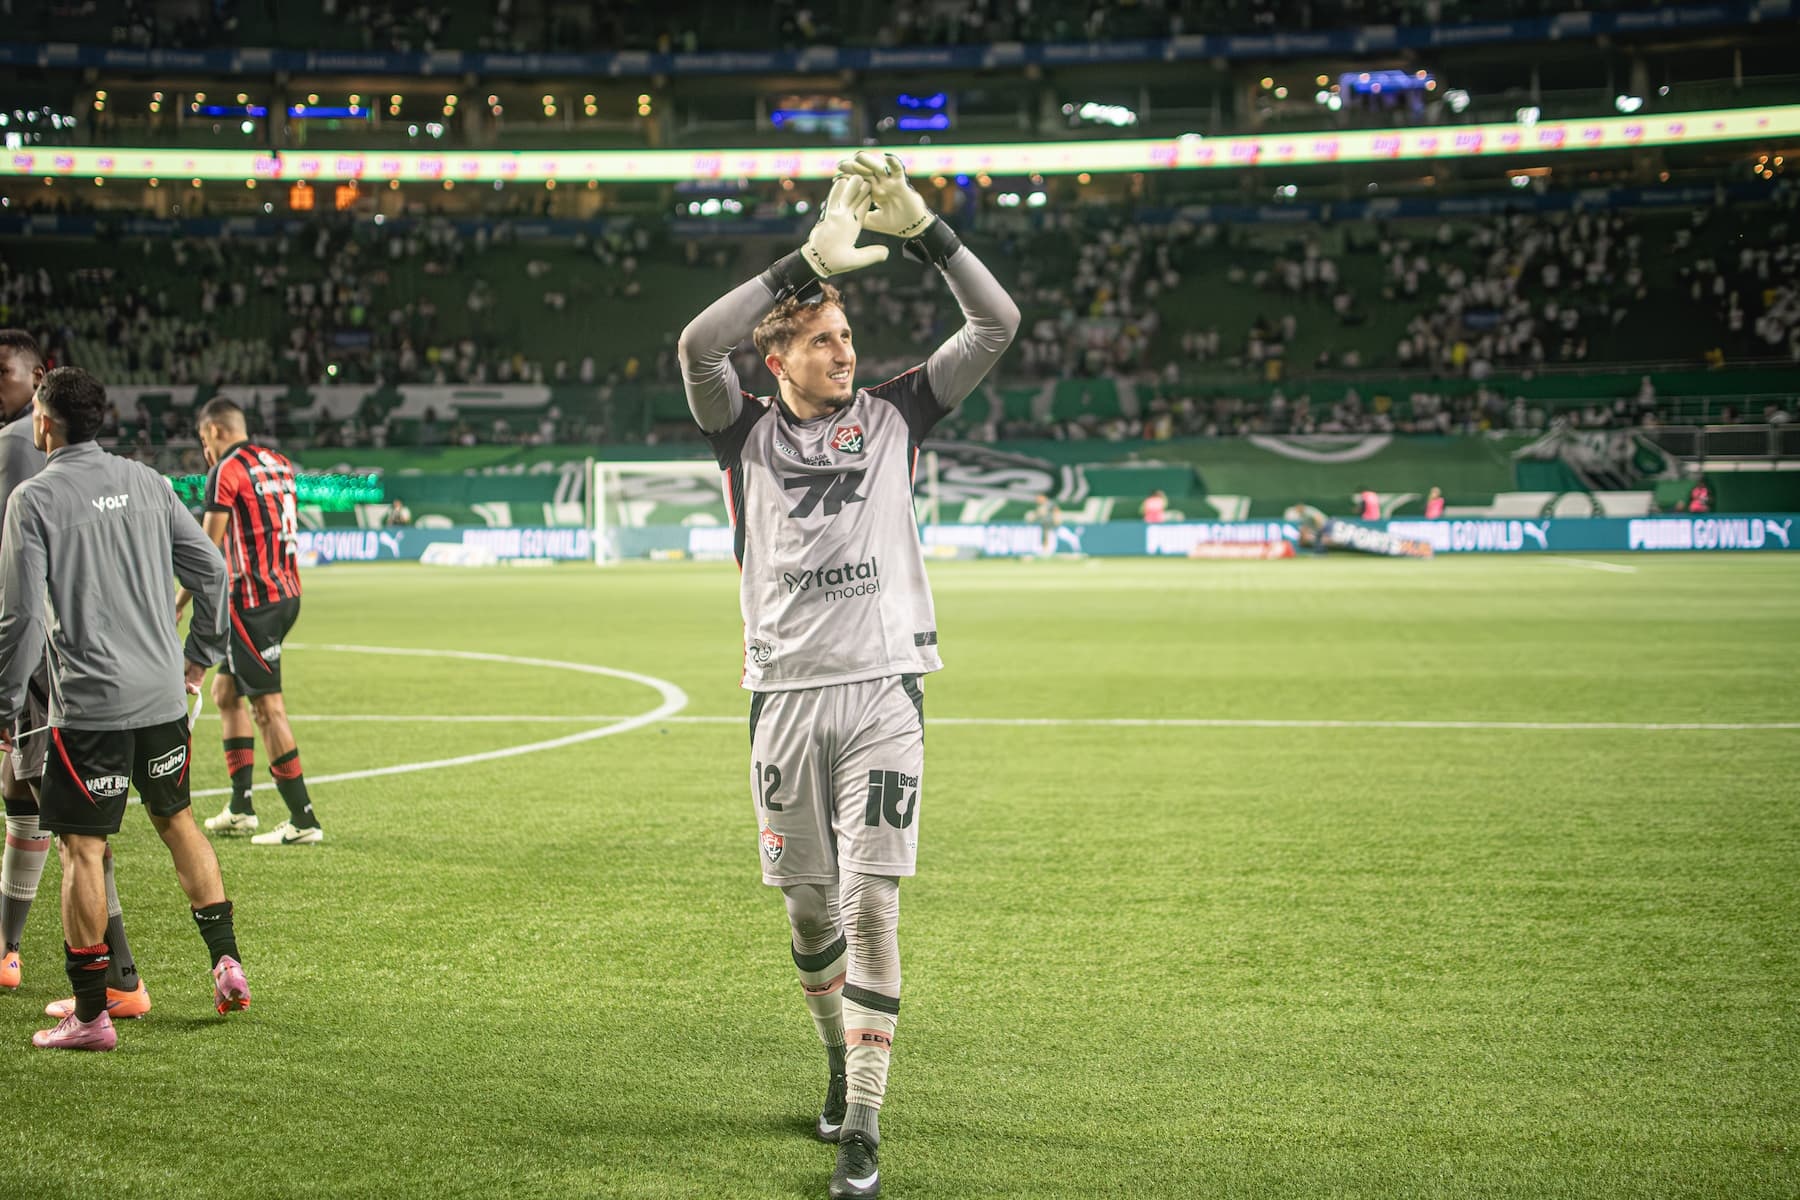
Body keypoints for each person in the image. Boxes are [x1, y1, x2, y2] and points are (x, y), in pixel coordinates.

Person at [678, 156, 1018, 1200]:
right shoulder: (742, 430)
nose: (844, 350)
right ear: (776, 353)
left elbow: (995, 325)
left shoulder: (897, 416)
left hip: (882, 692)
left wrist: (930, 236)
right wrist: (797, 267)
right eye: (821, 337)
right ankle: (837, 1056)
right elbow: (696, 344)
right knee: (810, 917)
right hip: (781, 701)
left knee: (875, 906)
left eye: (847, 337)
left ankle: (865, 1122)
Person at [0, 367, 248, 1051]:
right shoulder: (148, 482)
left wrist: (2, 706)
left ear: (45, 425)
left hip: (91, 707)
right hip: (164, 695)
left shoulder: (34, 497)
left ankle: (90, 1014)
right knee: (178, 820)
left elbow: (20, 618)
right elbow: (214, 572)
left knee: (83, 848)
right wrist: (198, 658)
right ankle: (227, 963)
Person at [0, 333, 152, 1016]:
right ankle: (10, 950)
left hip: (43, 661)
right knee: (28, 798)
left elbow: (24, 597)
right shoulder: (107, 470)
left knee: (69, 821)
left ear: (37, 383)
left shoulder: (19, 452)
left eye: (4, 373)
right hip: (71, 657)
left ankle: (118, 979)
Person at [182, 398, 323, 846]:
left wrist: (180, 598)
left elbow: (209, 547)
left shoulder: (227, 470)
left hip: (251, 600)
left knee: (267, 707)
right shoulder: (278, 462)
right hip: (287, 592)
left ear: (218, 431)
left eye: (204, 439)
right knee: (226, 693)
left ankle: (303, 820)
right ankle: (241, 807)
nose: (205, 450)